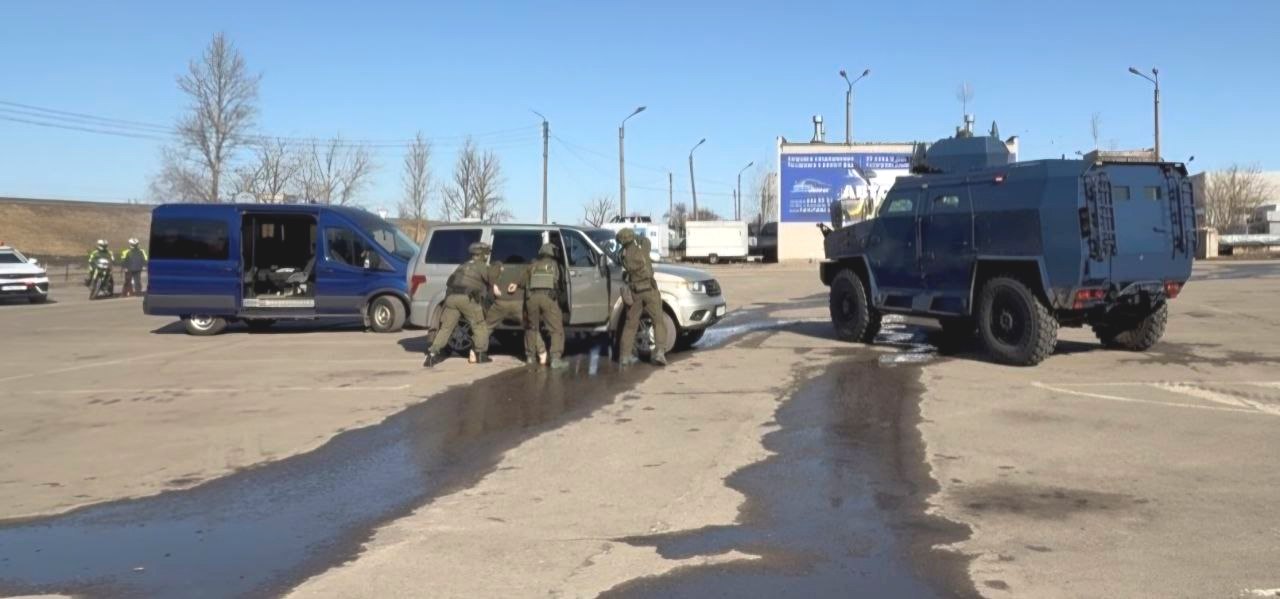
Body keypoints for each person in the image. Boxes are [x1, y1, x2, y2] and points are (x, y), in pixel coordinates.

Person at [424, 242, 501, 367]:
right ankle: (480, 354)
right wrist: (498, 266)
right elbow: (491, 277)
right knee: (479, 325)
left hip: (451, 299)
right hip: (467, 299)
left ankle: (432, 355)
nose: (487, 256)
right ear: (483, 254)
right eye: (487, 253)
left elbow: (450, 283)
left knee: (446, 328)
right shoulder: (481, 266)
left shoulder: (462, 266)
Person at [615, 228, 667, 366]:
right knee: (658, 321)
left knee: (630, 324)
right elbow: (646, 241)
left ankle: (624, 356)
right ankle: (660, 352)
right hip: (649, 289)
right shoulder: (642, 249)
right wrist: (637, 237)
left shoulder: (623, 255)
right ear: (632, 237)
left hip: (634, 292)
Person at [484, 258, 544, 364]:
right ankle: (539, 354)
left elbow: (488, 278)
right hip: (519, 303)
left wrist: (493, 286)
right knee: (530, 327)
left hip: (500, 303)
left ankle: (476, 351)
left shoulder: (499, 268)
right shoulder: (526, 269)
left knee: (486, 327)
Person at [524, 243, 567, 369]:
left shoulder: (532, 265)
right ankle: (555, 359)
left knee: (532, 328)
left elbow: (524, 282)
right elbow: (560, 284)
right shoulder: (555, 265)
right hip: (547, 298)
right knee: (556, 329)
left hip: (531, 298)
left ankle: (530, 357)